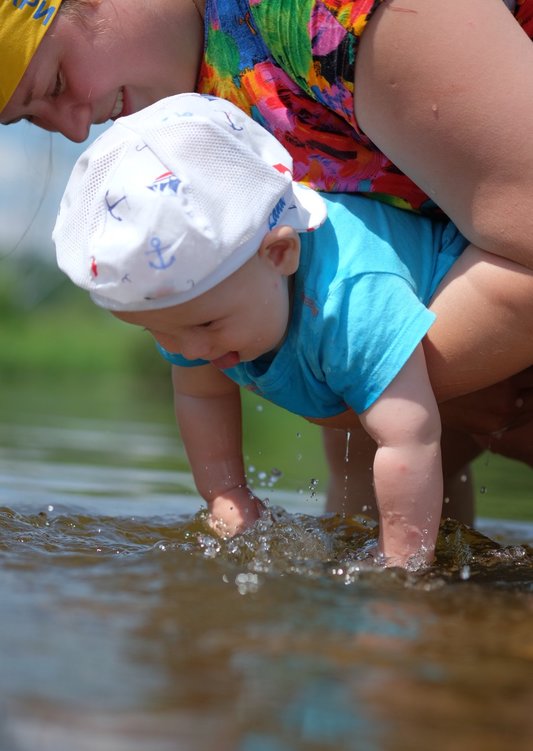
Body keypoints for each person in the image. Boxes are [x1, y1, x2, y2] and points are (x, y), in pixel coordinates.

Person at [1, 0, 532, 522]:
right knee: (363, 471)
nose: (74, 130)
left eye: (53, 83)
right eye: (31, 118)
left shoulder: (307, 10)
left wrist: (359, 384)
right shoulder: (191, 138)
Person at [52, 93, 532, 567]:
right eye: (159, 334)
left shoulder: (352, 301)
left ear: (280, 254)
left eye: (206, 324)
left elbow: (409, 439)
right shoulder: (194, 310)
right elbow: (202, 397)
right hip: (380, 368)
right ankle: (461, 586)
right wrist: (226, 492)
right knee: (369, 502)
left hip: (500, 343)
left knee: (406, 460)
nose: (191, 350)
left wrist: (401, 570)